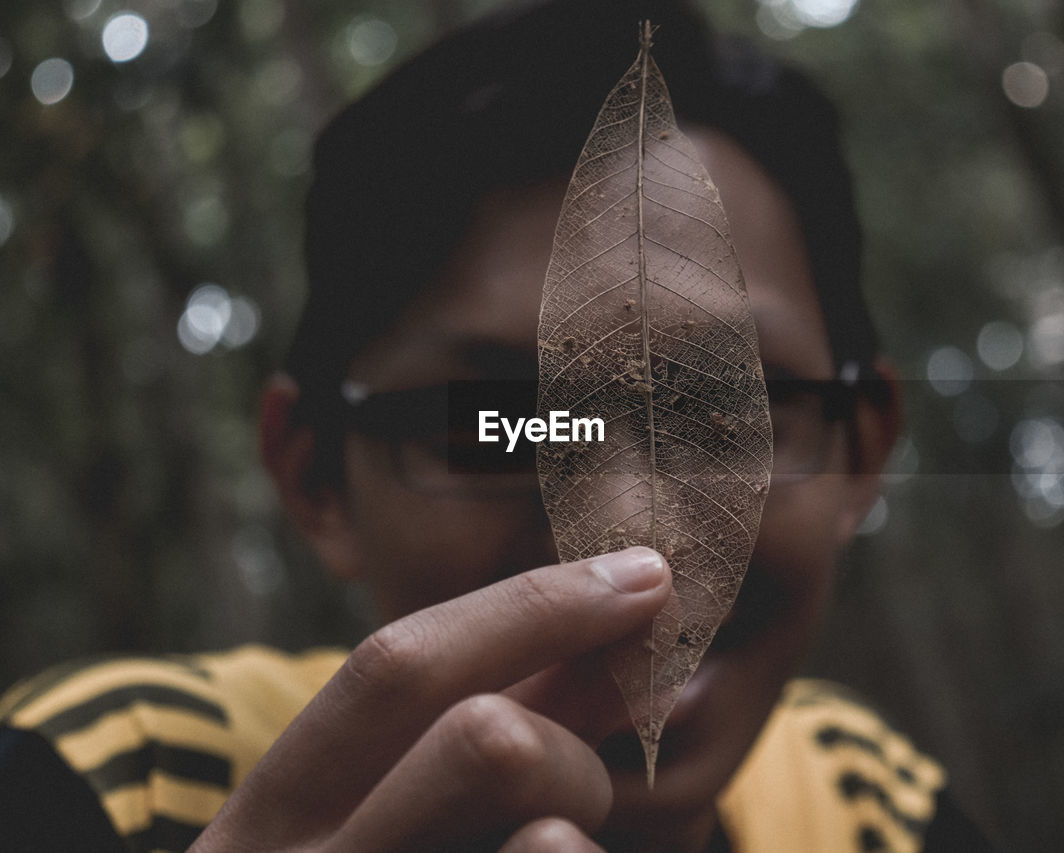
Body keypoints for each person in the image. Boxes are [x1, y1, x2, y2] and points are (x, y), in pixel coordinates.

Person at [0, 0, 994, 849]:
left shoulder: (860, 802)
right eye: (494, 420)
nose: (633, 530)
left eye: (725, 406)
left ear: (860, 447)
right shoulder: (106, 776)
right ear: (317, 478)